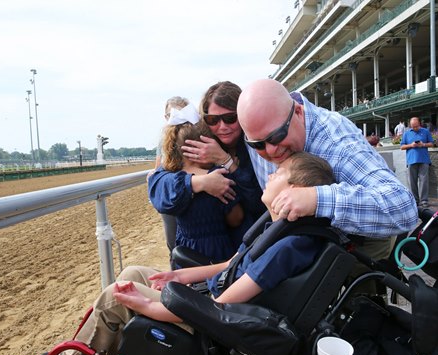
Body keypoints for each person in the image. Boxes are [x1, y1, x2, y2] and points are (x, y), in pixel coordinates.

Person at [3, 152, 335, 355]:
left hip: (214, 324)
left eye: (278, 173)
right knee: (133, 272)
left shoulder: (287, 247)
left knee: (113, 299)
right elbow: (230, 265)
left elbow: (218, 309)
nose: (270, 176)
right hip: (209, 301)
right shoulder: (278, 229)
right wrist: (177, 274)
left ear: (295, 190)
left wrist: (147, 304)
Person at [236, 79, 418, 263]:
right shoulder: (263, 127)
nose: (271, 151)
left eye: (277, 136)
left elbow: (403, 208)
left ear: (298, 113)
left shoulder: (337, 144)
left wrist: (316, 199)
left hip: (361, 243)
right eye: (257, 144)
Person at [148, 81, 265, 256]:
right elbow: (159, 183)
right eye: (213, 120)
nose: (222, 126)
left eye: (230, 118)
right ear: (204, 120)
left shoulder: (258, 146)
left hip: (249, 246)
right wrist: (199, 182)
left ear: (242, 116)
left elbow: (259, 202)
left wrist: (226, 161)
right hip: (207, 252)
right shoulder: (198, 142)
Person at [153, 96, 192, 255]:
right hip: (171, 190)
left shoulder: (192, 133)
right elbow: (158, 166)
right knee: (172, 241)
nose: (175, 119)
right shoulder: (163, 139)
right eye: (171, 115)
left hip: (190, 188)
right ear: (166, 117)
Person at [400, 116, 434, 208]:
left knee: (424, 181)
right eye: (413, 126)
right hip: (411, 160)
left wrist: (423, 144)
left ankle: (424, 201)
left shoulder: (425, 131)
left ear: (419, 124)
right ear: (410, 126)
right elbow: (402, 147)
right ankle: (415, 200)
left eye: (416, 126)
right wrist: (411, 145)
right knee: (412, 182)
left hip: (424, 160)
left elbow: (432, 143)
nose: (415, 128)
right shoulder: (406, 134)